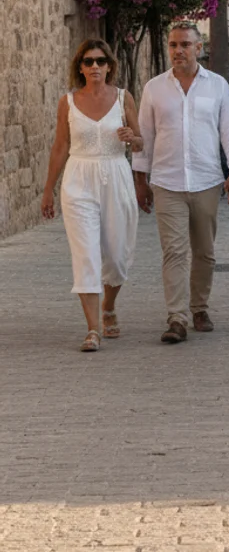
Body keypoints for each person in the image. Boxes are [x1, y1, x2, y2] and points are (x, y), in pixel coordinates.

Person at [134, 23, 229, 345]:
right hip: (167, 182)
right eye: (172, 45)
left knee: (205, 252)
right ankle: (177, 317)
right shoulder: (155, 88)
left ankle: (199, 307)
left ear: (199, 48)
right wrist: (141, 180)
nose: (178, 50)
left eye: (184, 44)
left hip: (206, 180)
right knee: (173, 251)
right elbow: (146, 137)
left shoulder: (217, 86)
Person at [41, 39, 141, 352]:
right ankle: (92, 328)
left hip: (116, 177)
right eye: (88, 62)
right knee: (85, 252)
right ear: (80, 68)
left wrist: (131, 138)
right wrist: (48, 190)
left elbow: (140, 143)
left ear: (109, 65)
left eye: (100, 61)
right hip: (78, 179)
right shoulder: (67, 102)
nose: (94, 66)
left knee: (116, 255)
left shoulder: (124, 98)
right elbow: (60, 147)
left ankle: (108, 306)